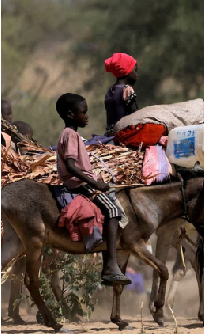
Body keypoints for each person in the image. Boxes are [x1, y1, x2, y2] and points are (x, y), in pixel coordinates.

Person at [56, 93, 131, 285]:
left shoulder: (70, 134)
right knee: (114, 210)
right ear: (71, 114)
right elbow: (71, 166)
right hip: (80, 185)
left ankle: (110, 261)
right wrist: (95, 184)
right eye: (84, 112)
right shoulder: (71, 135)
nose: (87, 116)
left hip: (82, 183)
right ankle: (111, 264)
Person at [104, 53, 139, 136]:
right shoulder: (127, 90)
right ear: (127, 71)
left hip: (110, 134)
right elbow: (136, 116)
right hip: (123, 134)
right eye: (135, 71)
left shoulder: (110, 91)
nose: (137, 75)